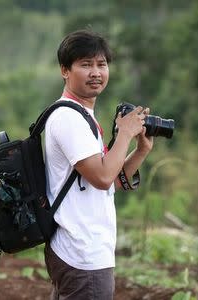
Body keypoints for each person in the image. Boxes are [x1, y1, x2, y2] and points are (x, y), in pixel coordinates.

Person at [43, 29, 154, 299]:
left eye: (101, 64)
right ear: (65, 71)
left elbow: (111, 181)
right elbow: (103, 178)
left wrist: (140, 150)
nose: (96, 72)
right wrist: (125, 133)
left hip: (81, 250)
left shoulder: (83, 116)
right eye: (85, 64)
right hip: (82, 253)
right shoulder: (68, 118)